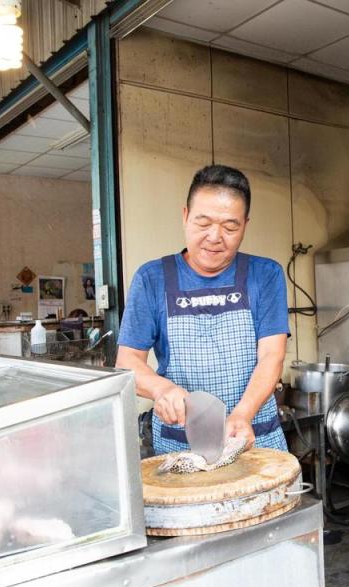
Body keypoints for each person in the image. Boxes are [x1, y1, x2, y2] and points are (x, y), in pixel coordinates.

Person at [116, 165, 289, 455]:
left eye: (230, 227)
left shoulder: (265, 274)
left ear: (245, 225)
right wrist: (162, 390)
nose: (214, 236)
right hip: (180, 445)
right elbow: (127, 361)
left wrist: (242, 415)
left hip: (255, 440)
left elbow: (272, 355)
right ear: (185, 216)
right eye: (203, 222)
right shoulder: (152, 278)